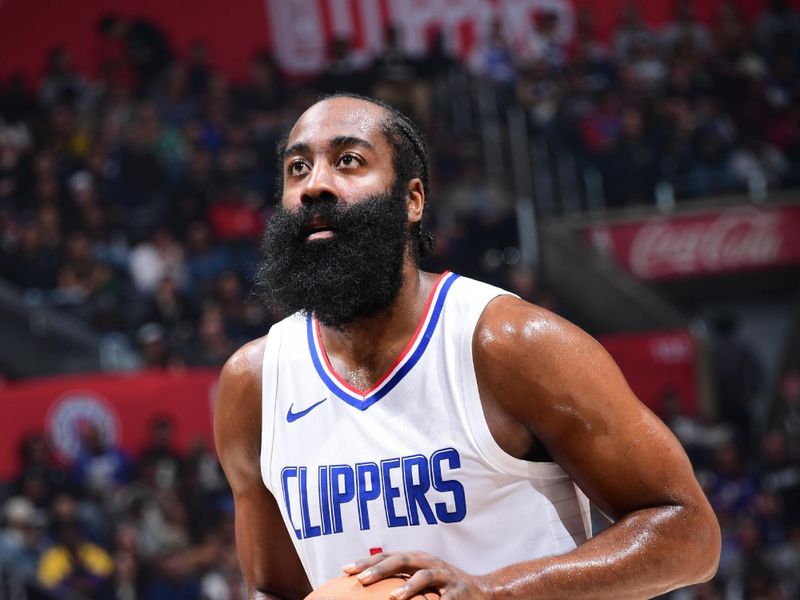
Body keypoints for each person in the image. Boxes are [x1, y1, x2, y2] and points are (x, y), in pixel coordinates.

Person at [214, 94, 720, 599]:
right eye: (297, 168)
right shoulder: (254, 385)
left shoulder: (513, 345)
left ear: (411, 200)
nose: (315, 184)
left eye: (349, 160)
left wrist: (492, 592)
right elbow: (276, 589)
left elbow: (690, 533)